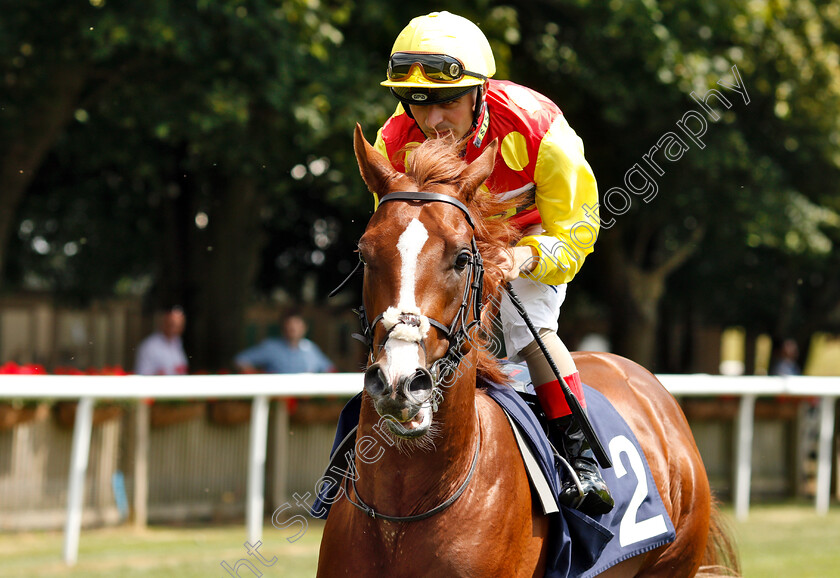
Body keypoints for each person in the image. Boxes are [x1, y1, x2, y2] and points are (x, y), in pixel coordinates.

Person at [372, 11, 612, 515]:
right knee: (397, 328)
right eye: (417, 104)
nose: (432, 120)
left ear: (480, 90)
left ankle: (580, 457)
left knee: (530, 327)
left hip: (530, 240)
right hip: (447, 250)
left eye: (447, 102)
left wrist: (521, 257)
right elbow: (396, 237)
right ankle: (346, 465)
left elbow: (579, 228)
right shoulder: (392, 142)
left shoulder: (539, 129)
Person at [234, 309, 335, 374]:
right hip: (277, 399)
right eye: (290, 326)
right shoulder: (271, 347)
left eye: (297, 325)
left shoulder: (311, 348)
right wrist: (259, 378)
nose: (293, 329)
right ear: (283, 328)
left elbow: (329, 369)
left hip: (304, 401)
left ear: (304, 328)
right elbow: (241, 359)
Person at [134, 305, 188, 375]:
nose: (176, 330)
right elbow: (142, 374)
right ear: (164, 323)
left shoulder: (177, 341)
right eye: (172, 325)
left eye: (179, 326)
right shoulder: (150, 346)